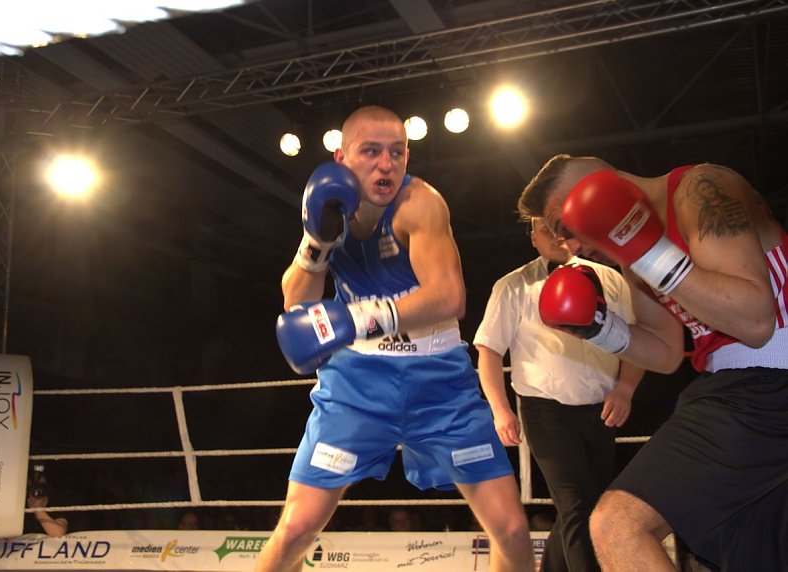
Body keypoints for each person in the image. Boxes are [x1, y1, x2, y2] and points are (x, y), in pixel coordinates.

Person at [258, 105, 534, 572]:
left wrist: (360, 317)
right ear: (342, 156)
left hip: (440, 384)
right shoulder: (329, 207)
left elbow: (449, 297)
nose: (387, 164)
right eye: (372, 152)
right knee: (296, 528)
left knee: (511, 529)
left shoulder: (420, 203)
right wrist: (317, 243)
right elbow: (294, 304)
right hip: (356, 388)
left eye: (398, 153)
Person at [517, 154, 788, 571]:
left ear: (597, 189)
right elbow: (664, 353)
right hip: (736, 384)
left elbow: (755, 320)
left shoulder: (700, 190)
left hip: (768, 375)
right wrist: (598, 328)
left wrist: (648, 254)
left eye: (565, 227)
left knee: (617, 525)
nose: (570, 247)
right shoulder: (634, 257)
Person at [474, 216, 645, 572]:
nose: (554, 235)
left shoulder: (609, 280)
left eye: (559, 225)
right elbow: (489, 352)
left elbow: (637, 340)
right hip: (544, 411)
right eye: (544, 227)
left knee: (590, 506)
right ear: (533, 236)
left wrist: (626, 389)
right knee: (578, 506)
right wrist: (501, 410)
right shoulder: (514, 286)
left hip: (602, 409)